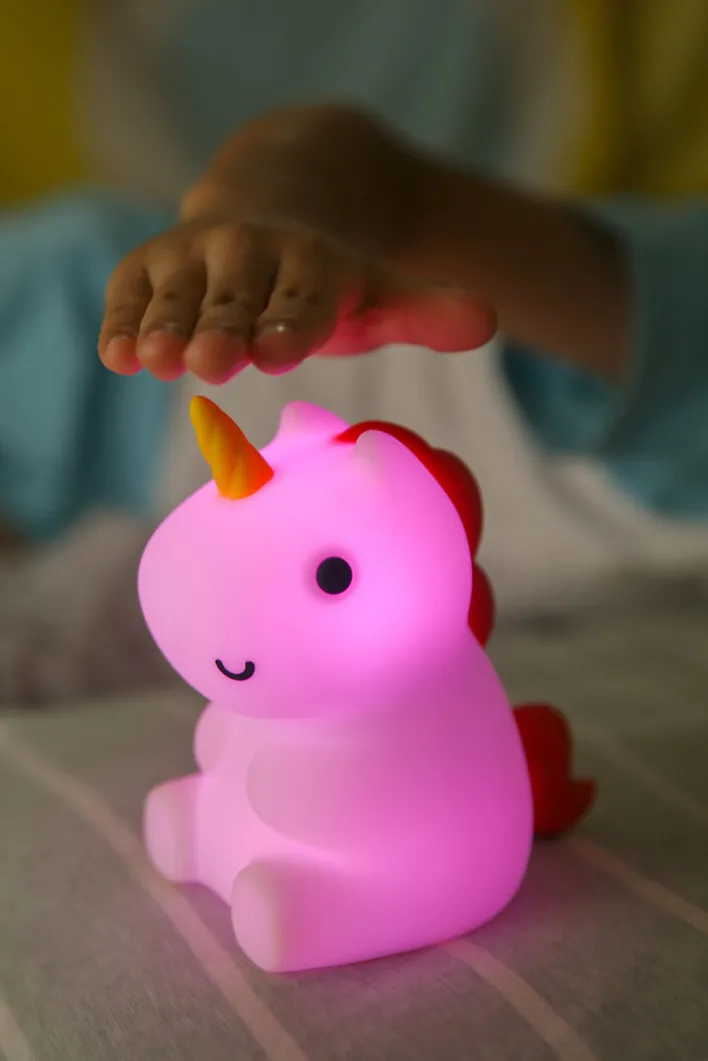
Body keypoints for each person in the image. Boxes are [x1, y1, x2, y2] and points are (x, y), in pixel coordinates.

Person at [3, 0, 708, 704]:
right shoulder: (653, 348)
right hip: (119, 345)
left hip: (143, 488)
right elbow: (369, 175)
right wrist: (260, 214)